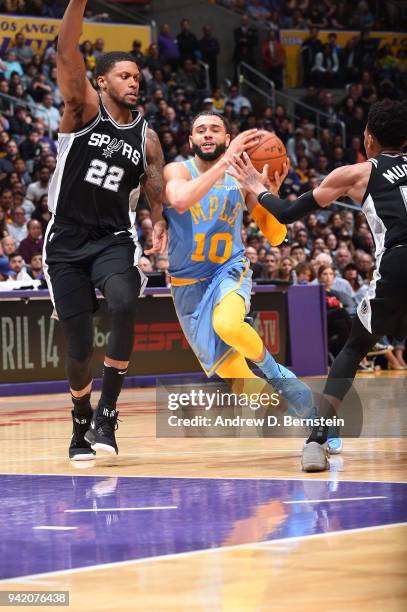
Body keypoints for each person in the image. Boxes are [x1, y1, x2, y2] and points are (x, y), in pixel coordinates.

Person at [227, 99, 407, 471]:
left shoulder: (357, 173)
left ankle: (318, 439)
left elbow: (289, 213)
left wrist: (257, 188)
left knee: (355, 347)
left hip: (399, 262)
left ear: (369, 138)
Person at [43, 0, 167, 461]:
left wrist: (160, 220)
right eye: (125, 76)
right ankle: (80, 422)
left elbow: (153, 181)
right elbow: (65, 48)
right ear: (101, 81)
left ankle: (108, 413)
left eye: (138, 77)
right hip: (66, 240)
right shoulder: (81, 110)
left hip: (114, 237)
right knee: (78, 348)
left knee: (123, 301)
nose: (134, 82)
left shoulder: (146, 136)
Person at [163, 111, 313, 416]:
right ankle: (314, 418)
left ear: (228, 139)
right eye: (201, 130)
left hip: (226, 270)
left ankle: (276, 373)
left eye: (215, 130)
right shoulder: (177, 171)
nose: (207, 134)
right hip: (186, 287)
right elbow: (179, 200)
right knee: (242, 383)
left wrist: (267, 192)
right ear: (190, 139)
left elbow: (276, 235)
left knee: (228, 324)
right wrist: (225, 162)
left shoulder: (241, 179)